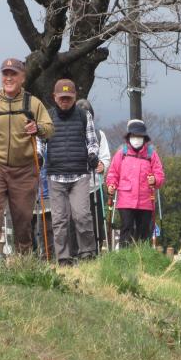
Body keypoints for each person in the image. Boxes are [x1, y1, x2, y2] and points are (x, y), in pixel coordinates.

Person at [0, 58, 54, 262]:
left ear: (22, 77)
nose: (8, 78)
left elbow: (49, 128)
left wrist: (38, 128)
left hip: (25, 168)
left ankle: (23, 256)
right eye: (5, 74)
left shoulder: (32, 103)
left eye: (13, 74)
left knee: (22, 216)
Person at [45, 80, 100, 266]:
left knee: (82, 215)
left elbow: (93, 141)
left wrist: (93, 155)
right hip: (55, 175)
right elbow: (39, 141)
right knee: (59, 220)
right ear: (55, 97)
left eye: (68, 98)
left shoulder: (84, 116)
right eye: (62, 98)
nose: (65, 101)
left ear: (74, 97)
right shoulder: (48, 117)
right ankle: (63, 258)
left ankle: (88, 253)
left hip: (79, 174)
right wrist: (37, 156)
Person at [106, 119, 165, 246]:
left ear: (144, 138)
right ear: (129, 137)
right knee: (126, 228)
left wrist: (155, 180)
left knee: (144, 232)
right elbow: (113, 173)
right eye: (134, 136)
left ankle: (143, 257)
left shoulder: (151, 154)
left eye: (139, 136)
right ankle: (125, 258)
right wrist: (111, 184)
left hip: (146, 201)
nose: (136, 139)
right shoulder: (122, 153)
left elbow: (160, 175)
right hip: (125, 199)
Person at [74, 99, 110, 255]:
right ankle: (77, 252)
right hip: (74, 187)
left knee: (95, 222)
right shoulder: (71, 133)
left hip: (94, 187)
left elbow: (106, 157)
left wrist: (102, 165)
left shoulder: (99, 134)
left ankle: (94, 251)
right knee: (76, 221)